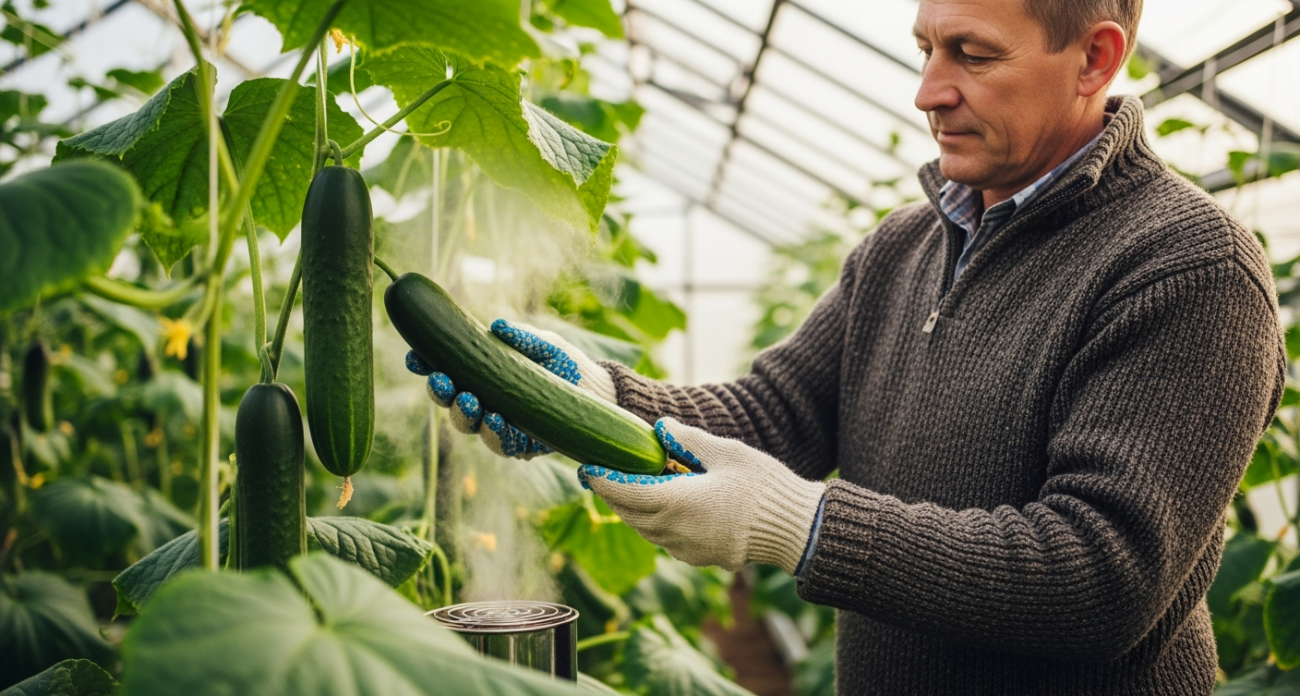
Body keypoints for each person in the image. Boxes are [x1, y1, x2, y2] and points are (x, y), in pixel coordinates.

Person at [405, 0, 1285, 692]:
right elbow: (774, 413)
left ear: (1095, 58)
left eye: (972, 54)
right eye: (925, 49)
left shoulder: (1187, 267)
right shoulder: (905, 246)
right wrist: (594, 399)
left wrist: (802, 525)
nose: (929, 90)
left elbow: (1095, 579)